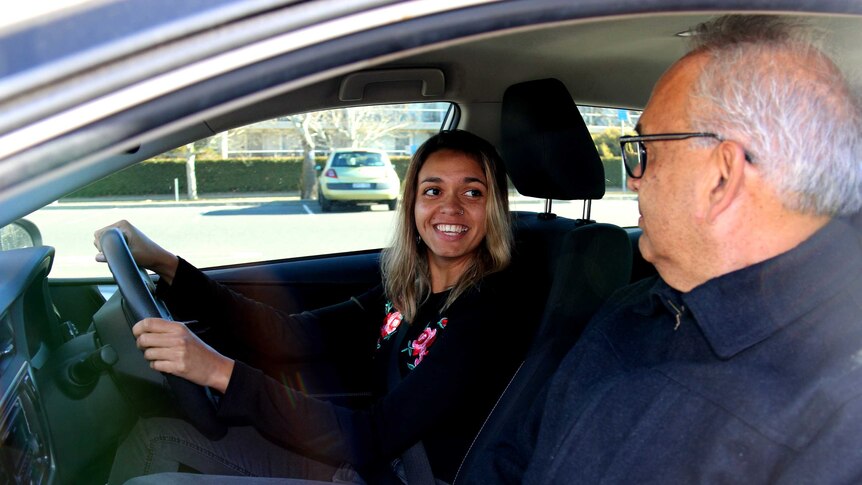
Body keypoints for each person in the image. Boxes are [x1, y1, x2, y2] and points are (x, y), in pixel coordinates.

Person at [469, 15, 862, 484]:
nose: (633, 177)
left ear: (722, 175)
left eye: (645, 148)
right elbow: (510, 461)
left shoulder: (838, 417)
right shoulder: (632, 308)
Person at [97, 130, 532, 484]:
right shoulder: (407, 291)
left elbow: (371, 436)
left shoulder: (487, 314)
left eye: (472, 193)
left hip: (391, 475)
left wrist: (217, 371)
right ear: (413, 206)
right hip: (367, 457)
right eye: (433, 190)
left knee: (155, 458)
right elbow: (290, 333)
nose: (450, 207)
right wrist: (168, 265)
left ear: (492, 208)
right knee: (154, 433)